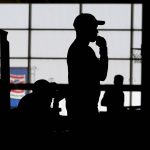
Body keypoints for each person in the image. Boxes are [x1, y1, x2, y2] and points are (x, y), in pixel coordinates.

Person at [66, 13, 108, 128]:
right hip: (85, 107)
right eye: (94, 28)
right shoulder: (84, 51)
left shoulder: (77, 48)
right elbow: (102, 75)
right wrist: (104, 49)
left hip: (79, 105)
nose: (96, 32)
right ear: (85, 29)